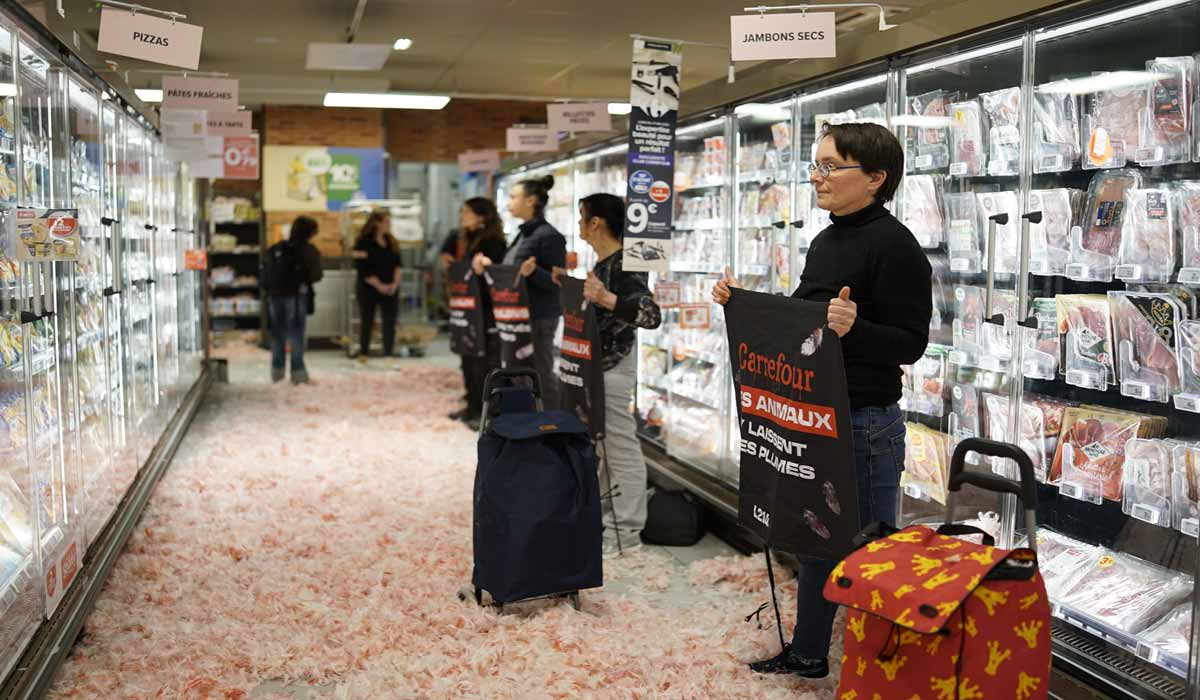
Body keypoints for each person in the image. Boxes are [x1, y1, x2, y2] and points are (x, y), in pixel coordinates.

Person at [713, 122, 932, 679]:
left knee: (871, 552)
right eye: (817, 165)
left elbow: (911, 343)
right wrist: (741, 304)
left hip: (865, 421)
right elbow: (803, 318)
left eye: (832, 166)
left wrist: (856, 327)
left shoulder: (896, 246)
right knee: (815, 538)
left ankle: (881, 673)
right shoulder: (825, 240)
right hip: (820, 414)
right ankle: (810, 653)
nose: (818, 176)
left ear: (876, 178)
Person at [572, 193, 662, 557]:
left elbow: (650, 315)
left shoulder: (624, 263)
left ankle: (626, 532)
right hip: (599, 366)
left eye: (582, 217)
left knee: (619, 447)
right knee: (606, 447)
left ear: (596, 223)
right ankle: (611, 522)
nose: (579, 224)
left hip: (614, 367)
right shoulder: (605, 263)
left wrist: (606, 299)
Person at [472, 175, 566, 409]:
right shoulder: (523, 234)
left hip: (538, 317)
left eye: (514, 197)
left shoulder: (549, 237)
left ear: (531, 201)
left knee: (540, 375)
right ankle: (528, 423)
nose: (509, 202)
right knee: (521, 376)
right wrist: (489, 267)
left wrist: (534, 273)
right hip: (518, 318)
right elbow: (514, 272)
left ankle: (551, 423)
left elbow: (558, 282)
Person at [449, 198, 508, 426]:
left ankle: (487, 413)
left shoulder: (493, 242)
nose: (462, 216)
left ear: (482, 216)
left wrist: (486, 266)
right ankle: (472, 406)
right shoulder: (471, 239)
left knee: (483, 362)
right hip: (469, 310)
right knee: (468, 358)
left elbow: (496, 273)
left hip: (485, 310)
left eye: (467, 212)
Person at [265, 215, 323, 384]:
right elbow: (317, 275)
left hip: (275, 295)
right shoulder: (309, 250)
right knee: (296, 334)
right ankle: (298, 373)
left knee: (277, 335)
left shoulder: (277, 248)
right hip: (296, 296)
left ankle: (277, 373)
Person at [353, 211, 402, 362]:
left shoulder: (391, 242)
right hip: (369, 288)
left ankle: (388, 354)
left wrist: (395, 284)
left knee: (389, 321)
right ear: (377, 223)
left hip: (390, 288)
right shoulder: (362, 242)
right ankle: (364, 354)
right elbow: (362, 268)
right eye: (386, 221)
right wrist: (379, 285)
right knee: (367, 320)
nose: (389, 224)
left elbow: (398, 265)